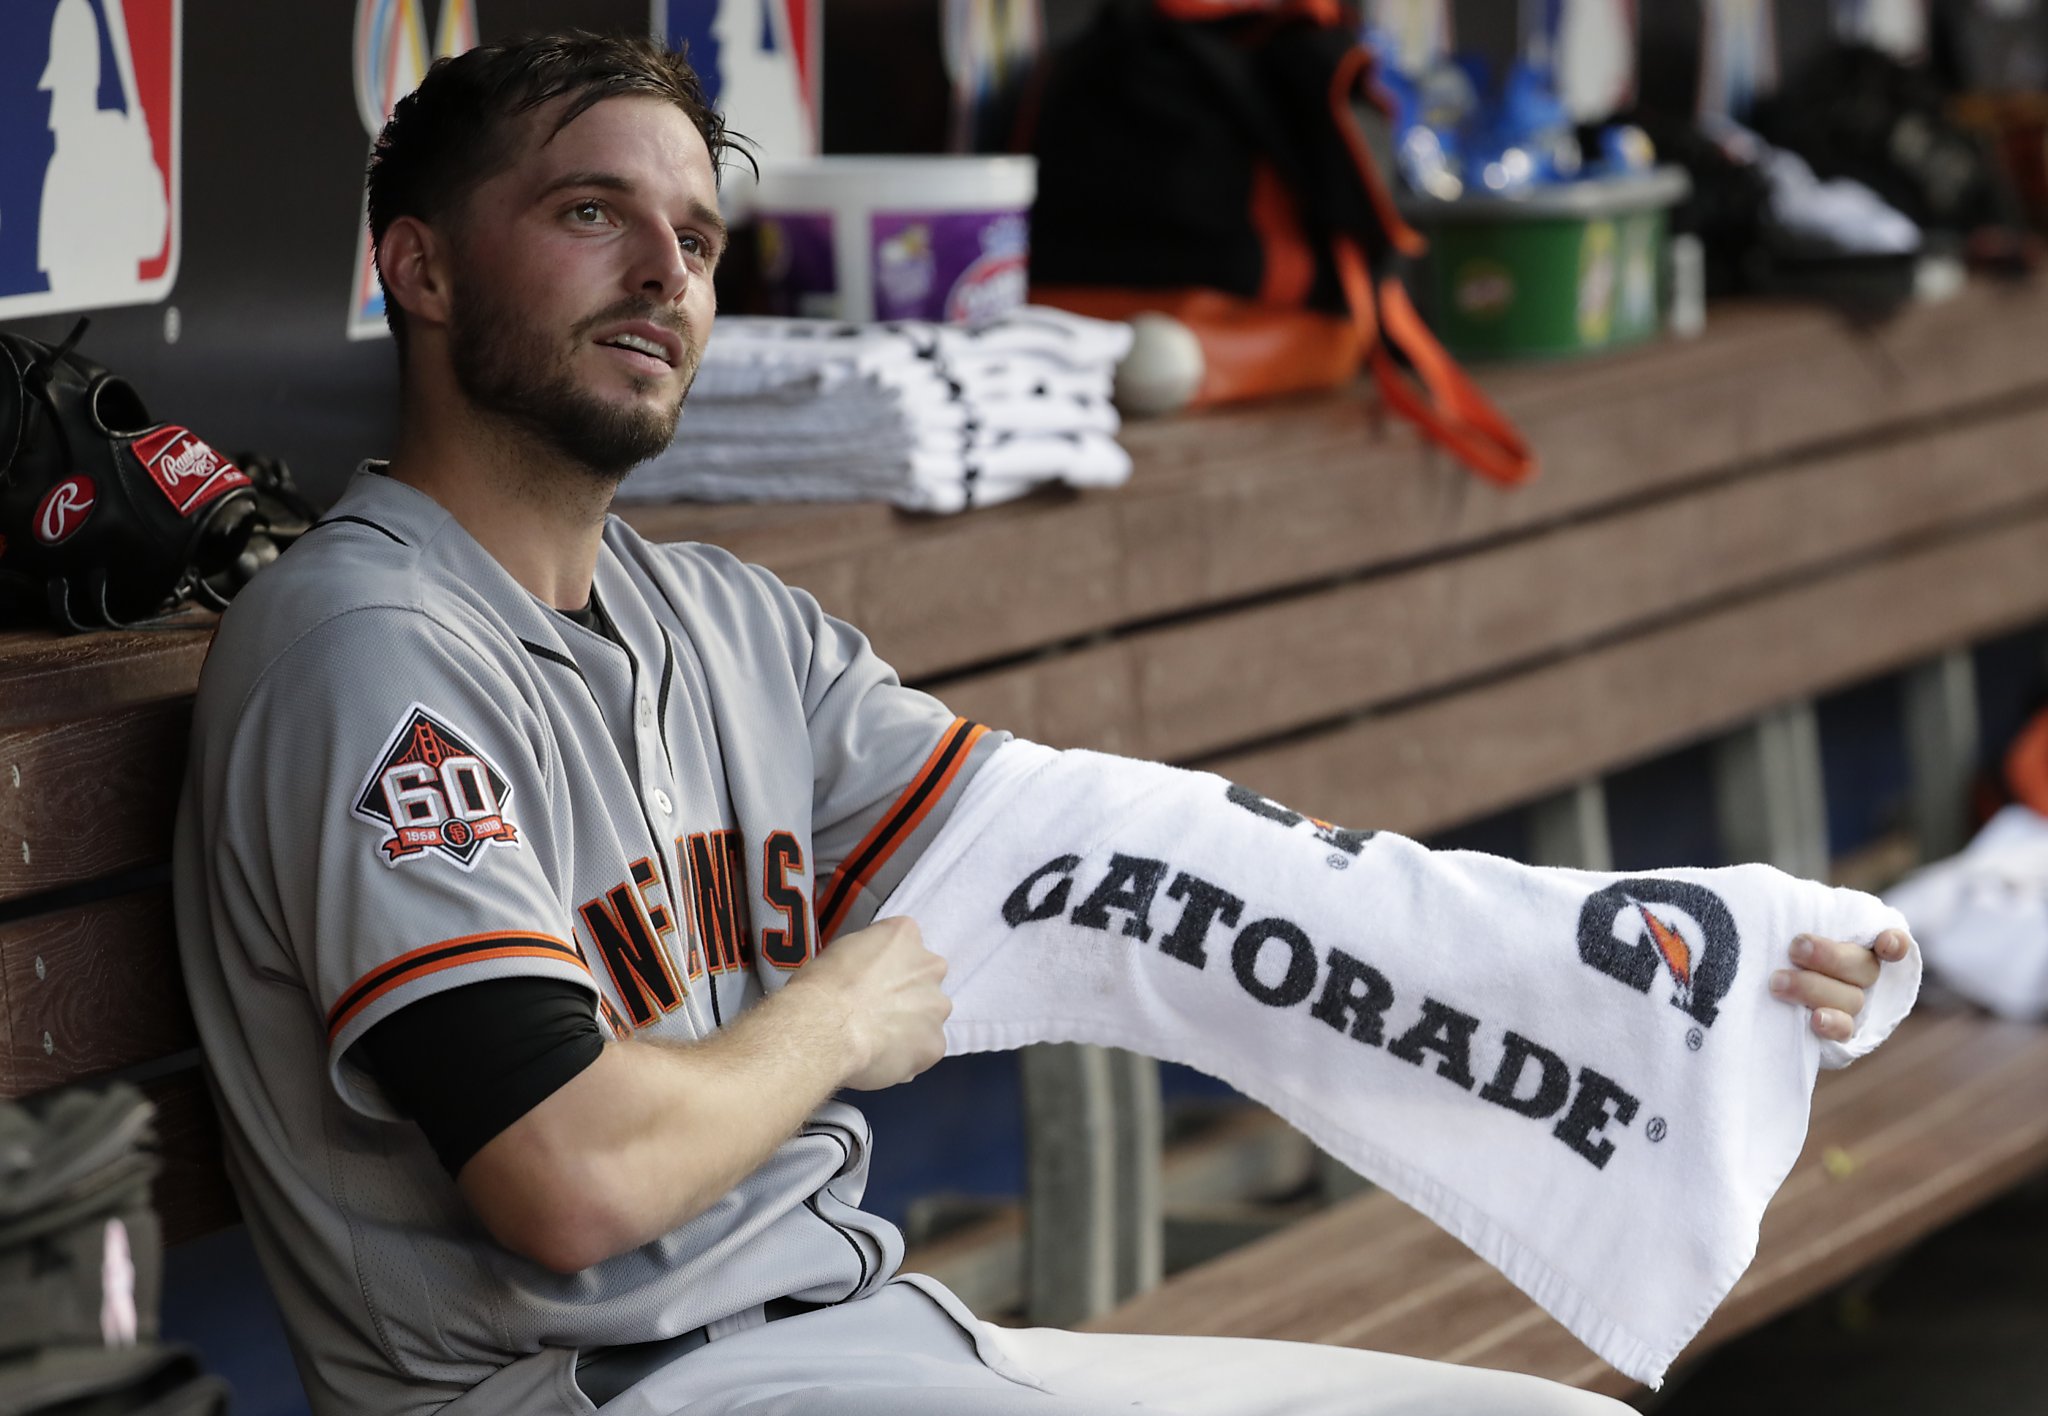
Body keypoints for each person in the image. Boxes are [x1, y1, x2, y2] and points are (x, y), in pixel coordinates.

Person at [172, 30, 1908, 1416]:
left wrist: (1674, 958)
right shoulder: (363, 649)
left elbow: (1161, 877)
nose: (661, 272)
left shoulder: (724, 624)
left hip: (862, 1339)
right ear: (417, 264)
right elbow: (570, 1176)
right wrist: (839, 1013)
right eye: (585, 214)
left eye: (694, 236)